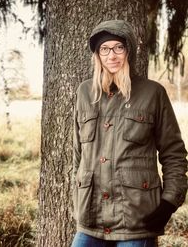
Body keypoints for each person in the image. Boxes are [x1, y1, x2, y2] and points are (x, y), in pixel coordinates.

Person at [71, 20, 187, 247]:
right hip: (90, 219)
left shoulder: (153, 93)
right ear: (97, 55)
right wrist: (78, 198)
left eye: (118, 48)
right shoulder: (85, 92)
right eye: (104, 49)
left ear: (129, 52)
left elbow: (173, 153)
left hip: (136, 218)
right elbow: (78, 153)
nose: (111, 55)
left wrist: (169, 202)